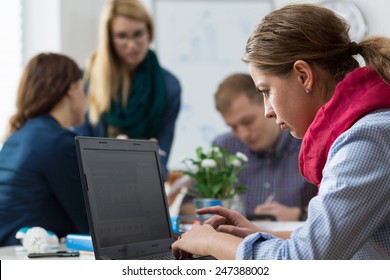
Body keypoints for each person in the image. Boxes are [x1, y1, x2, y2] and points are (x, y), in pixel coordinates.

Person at [172, 4, 390, 259]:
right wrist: (258, 234)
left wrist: (212, 243)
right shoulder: (364, 130)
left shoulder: (366, 139)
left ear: (303, 75)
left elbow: (301, 261)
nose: (268, 111)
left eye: (266, 91)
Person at [179, 73, 317, 221]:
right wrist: (222, 214)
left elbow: (337, 212)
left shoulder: (308, 140)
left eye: (247, 121)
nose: (243, 134)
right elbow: (187, 208)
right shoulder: (224, 147)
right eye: (233, 127)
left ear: (268, 104)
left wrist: (299, 215)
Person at [74, 0, 181, 180]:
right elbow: (77, 152)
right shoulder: (87, 81)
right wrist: (113, 155)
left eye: (138, 34)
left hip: (144, 185)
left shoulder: (169, 86)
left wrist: (149, 159)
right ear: (109, 39)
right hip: (96, 184)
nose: (132, 45)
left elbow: (162, 161)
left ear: (149, 32)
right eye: (122, 36)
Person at [0, 53, 89, 246]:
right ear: (71, 90)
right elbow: (90, 225)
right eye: (83, 88)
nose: (85, 97)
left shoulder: (15, 138)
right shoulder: (57, 142)